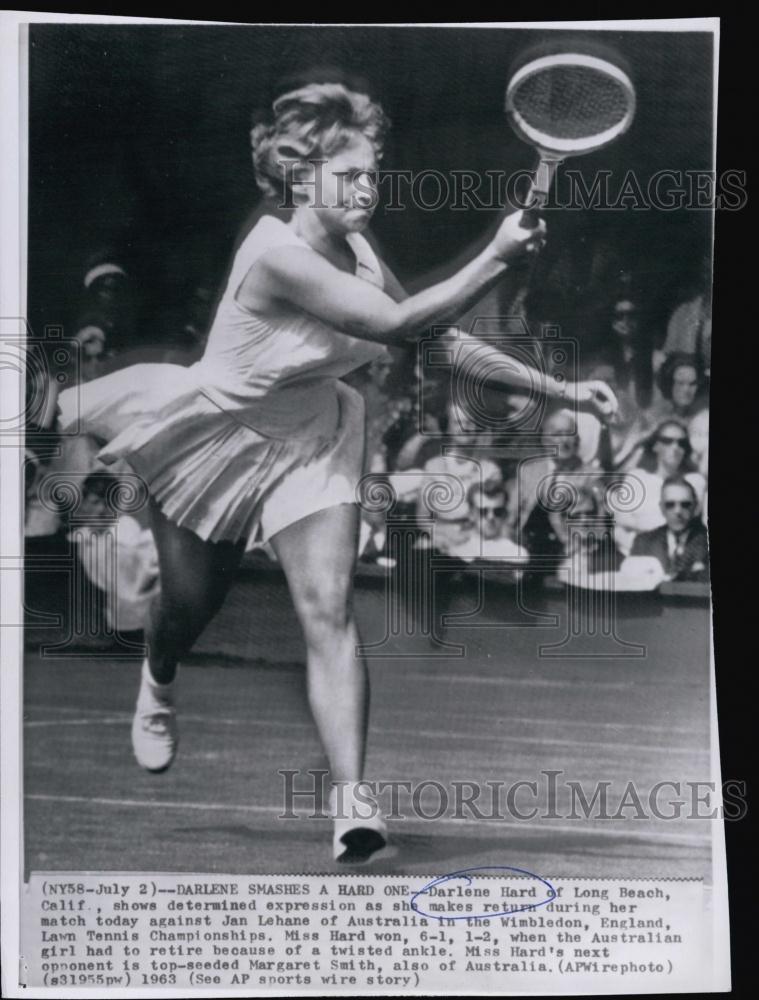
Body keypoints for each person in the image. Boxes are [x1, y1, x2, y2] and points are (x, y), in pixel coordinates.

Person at [56, 82, 616, 862]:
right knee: (186, 608)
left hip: (312, 441)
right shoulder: (274, 254)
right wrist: (494, 254)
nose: (366, 191)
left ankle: (352, 805)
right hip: (218, 437)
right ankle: (157, 674)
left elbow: (438, 342)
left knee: (328, 609)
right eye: (347, 176)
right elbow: (391, 325)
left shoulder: (355, 248)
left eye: (372, 174)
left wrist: (557, 387)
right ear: (298, 177)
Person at [614, 419, 706, 555]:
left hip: (680, 558)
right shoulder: (636, 479)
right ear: (656, 445)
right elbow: (618, 526)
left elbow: (693, 529)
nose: (675, 447)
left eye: (681, 443)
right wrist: (641, 552)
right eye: (668, 441)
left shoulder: (695, 481)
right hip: (636, 556)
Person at [627, 476, 708, 582]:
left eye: (685, 504)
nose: (678, 511)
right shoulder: (643, 543)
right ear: (661, 508)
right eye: (670, 505)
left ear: (695, 506)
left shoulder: (705, 542)